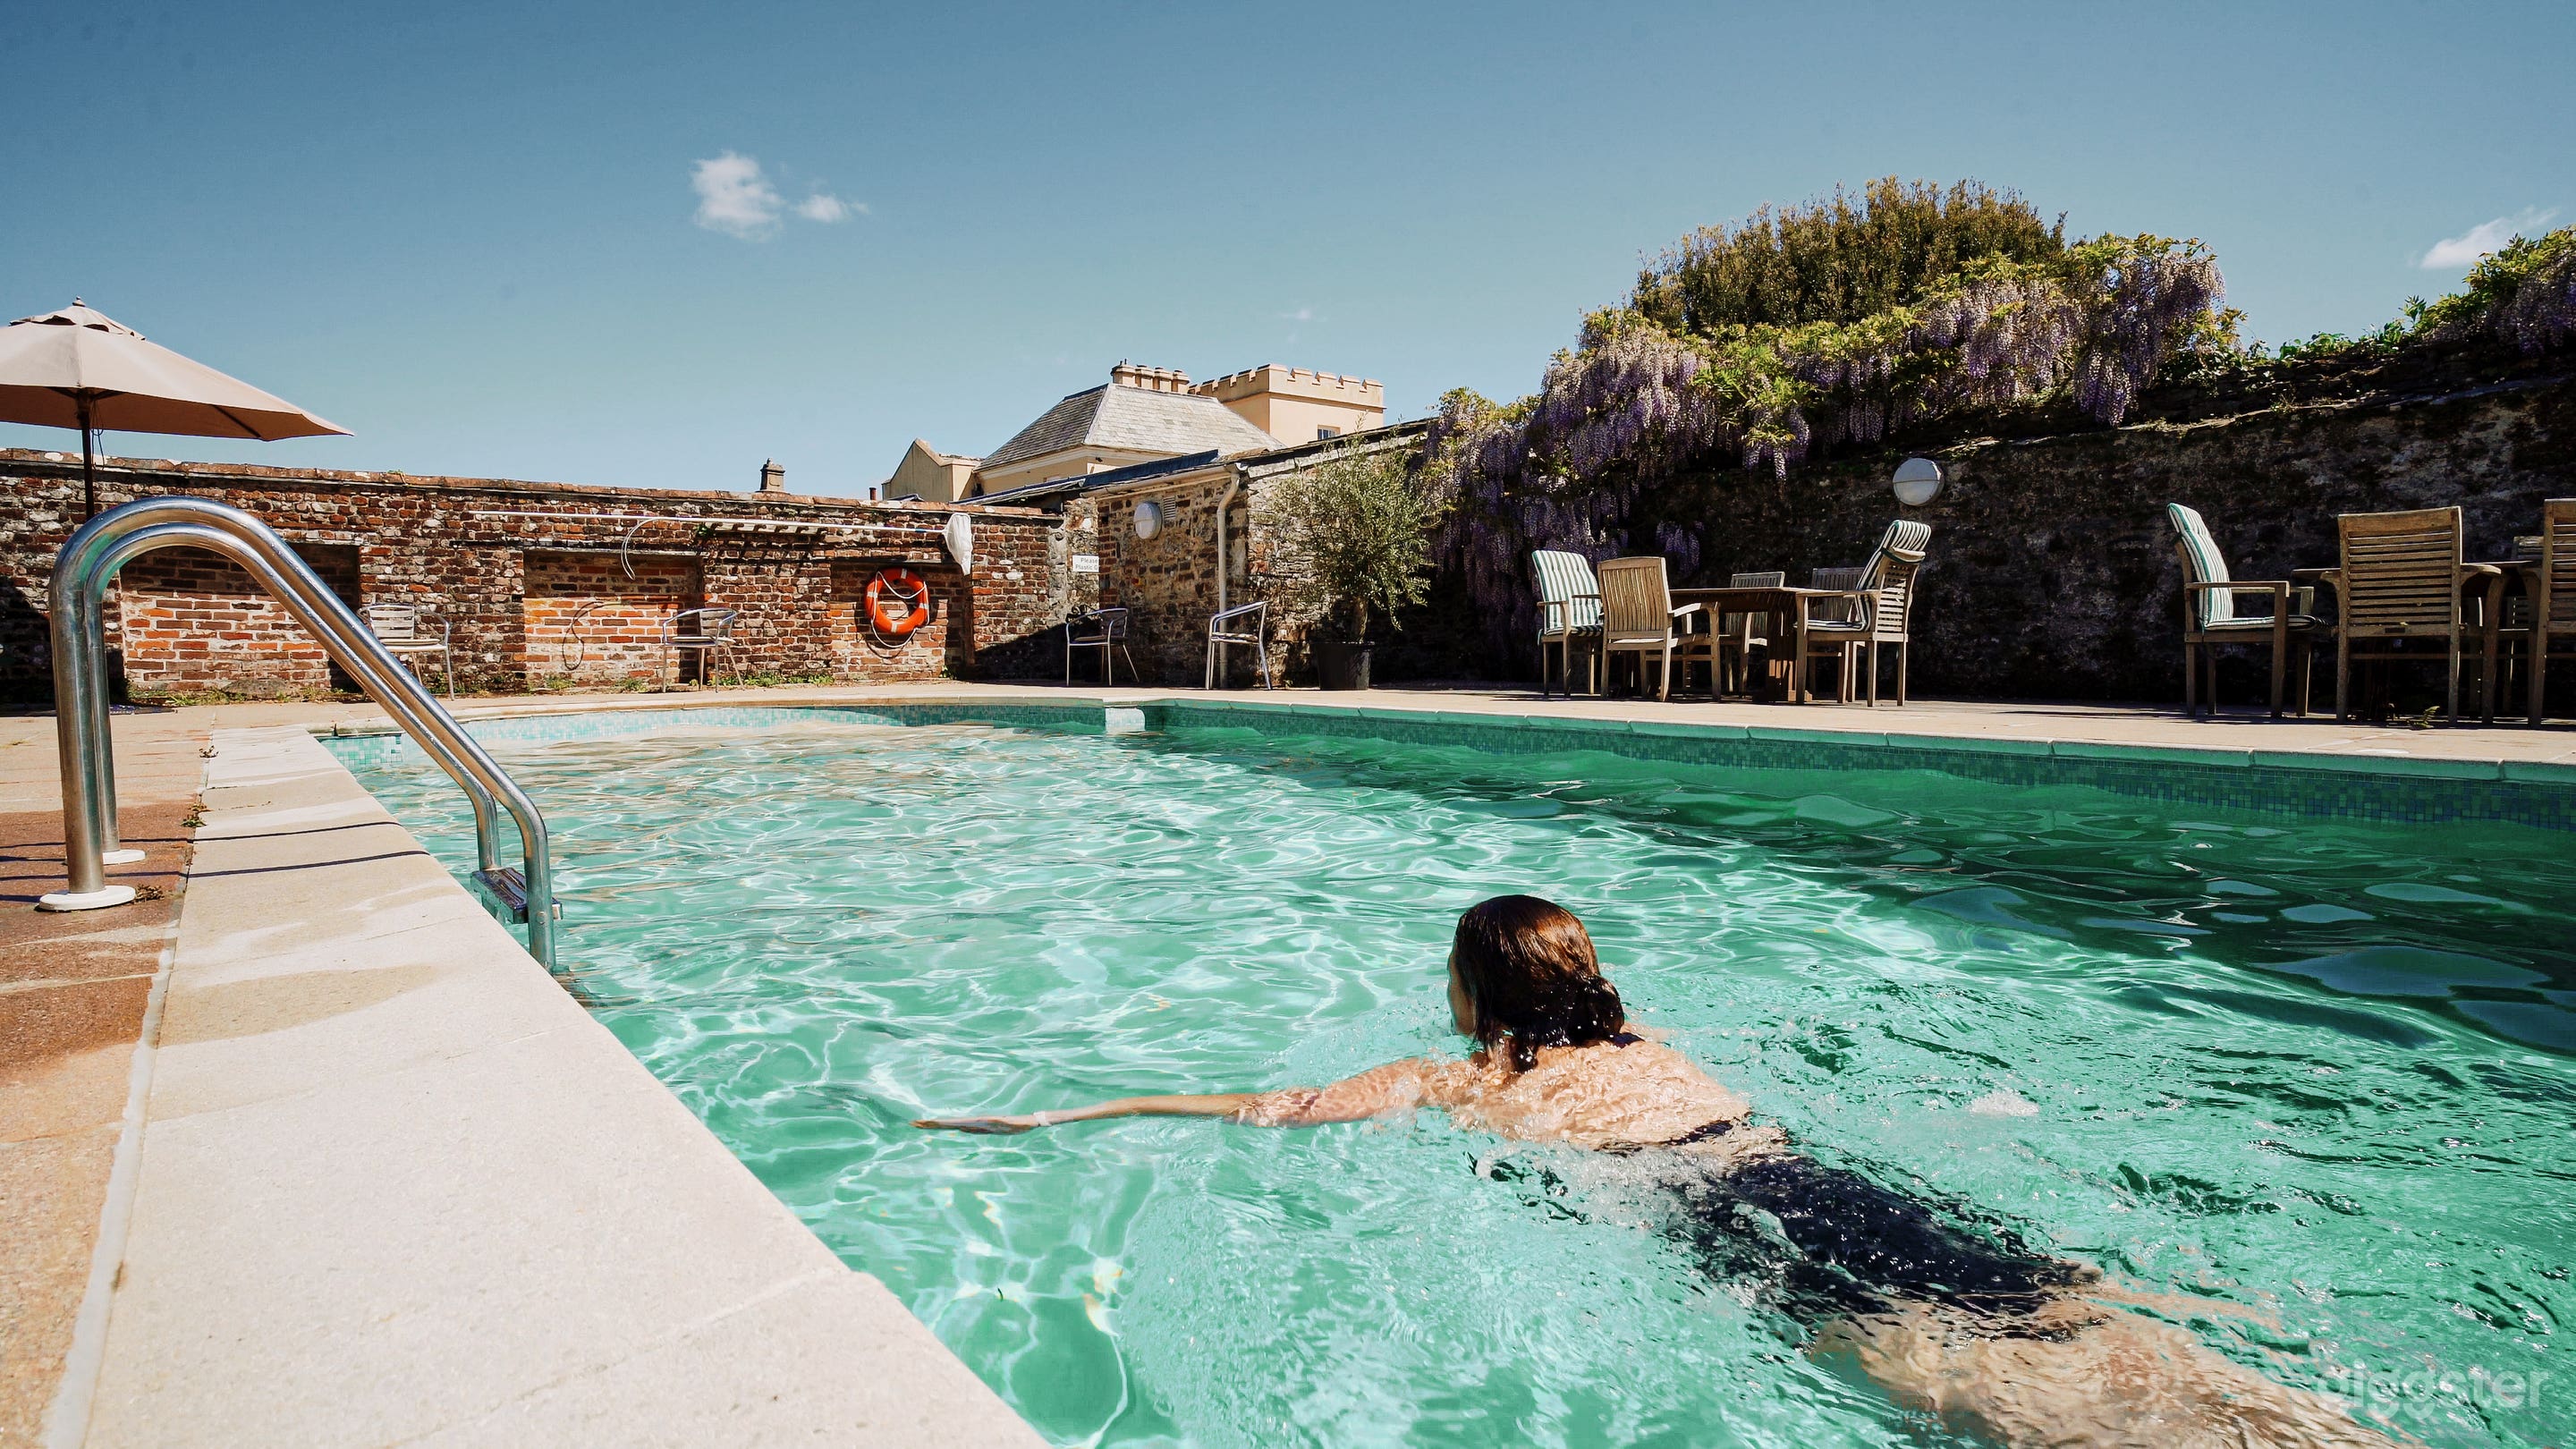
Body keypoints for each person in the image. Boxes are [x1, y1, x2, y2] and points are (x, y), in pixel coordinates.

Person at [919, 894, 2389, 1448]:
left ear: (1471, 995)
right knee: (2096, 1327)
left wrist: (1079, 1116)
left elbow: (1277, 1106)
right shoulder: (1656, 1041)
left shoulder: (1466, 1081)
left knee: (2016, 1409)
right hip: (1825, 1174)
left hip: (1735, 1227)